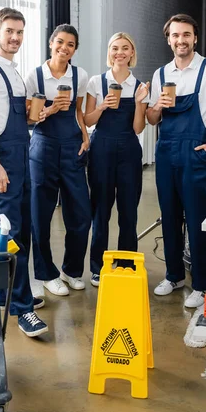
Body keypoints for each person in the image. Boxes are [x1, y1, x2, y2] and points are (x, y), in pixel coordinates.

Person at [147, 13, 206, 308]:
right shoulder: (161, 74)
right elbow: (151, 118)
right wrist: (156, 105)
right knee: (169, 216)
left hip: (196, 152)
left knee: (198, 220)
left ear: (195, 38)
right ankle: (174, 275)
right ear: (168, 39)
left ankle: (200, 283)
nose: (180, 40)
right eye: (175, 35)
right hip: (166, 151)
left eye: (186, 34)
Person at [0, 7, 48, 338]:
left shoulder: (14, 72)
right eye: (9, 31)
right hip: (2, 158)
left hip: (21, 154)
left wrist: (35, 118)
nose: (14, 37)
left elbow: (13, 117)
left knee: (22, 231)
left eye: (19, 32)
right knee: (9, 233)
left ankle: (8, 295)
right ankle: (21, 309)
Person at [25, 24, 91, 296]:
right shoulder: (34, 76)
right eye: (60, 42)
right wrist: (51, 109)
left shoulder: (80, 75)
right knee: (41, 213)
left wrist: (86, 138)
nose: (65, 48)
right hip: (43, 148)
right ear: (51, 43)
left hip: (73, 145)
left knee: (81, 214)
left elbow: (78, 111)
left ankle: (72, 270)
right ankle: (46, 274)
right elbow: (30, 118)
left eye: (71, 44)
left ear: (75, 49)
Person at [84, 32, 149, 286]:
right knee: (100, 210)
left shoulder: (139, 86)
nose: (119, 52)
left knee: (128, 212)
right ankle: (97, 268)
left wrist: (141, 104)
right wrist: (101, 107)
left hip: (129, 151)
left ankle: (126, 264)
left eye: (125, 48)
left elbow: (138, 128)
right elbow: (87, 121)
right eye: (114, 48)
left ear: (132, 53)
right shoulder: (95, 82)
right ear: (109, 52)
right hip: (100, 149)